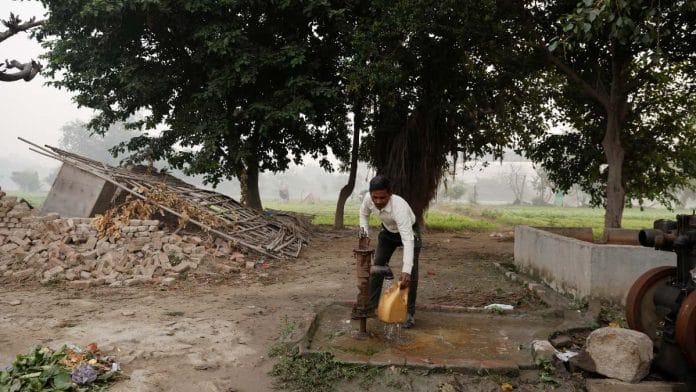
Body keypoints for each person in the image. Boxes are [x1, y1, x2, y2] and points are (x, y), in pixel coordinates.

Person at [359, 175, 421, 328]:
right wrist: (364, 236)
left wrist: (406, 270)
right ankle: (371, 306)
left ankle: (409, 313)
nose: (378, 201)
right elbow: (363, 215)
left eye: (383, 198)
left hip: (409, 232)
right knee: (377, 266)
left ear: (390, 194)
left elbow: (408, 240)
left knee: (410, 274)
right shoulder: (368, 199)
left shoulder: (399, 208)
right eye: (375, 198)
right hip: (387, 233)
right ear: (371, 194)